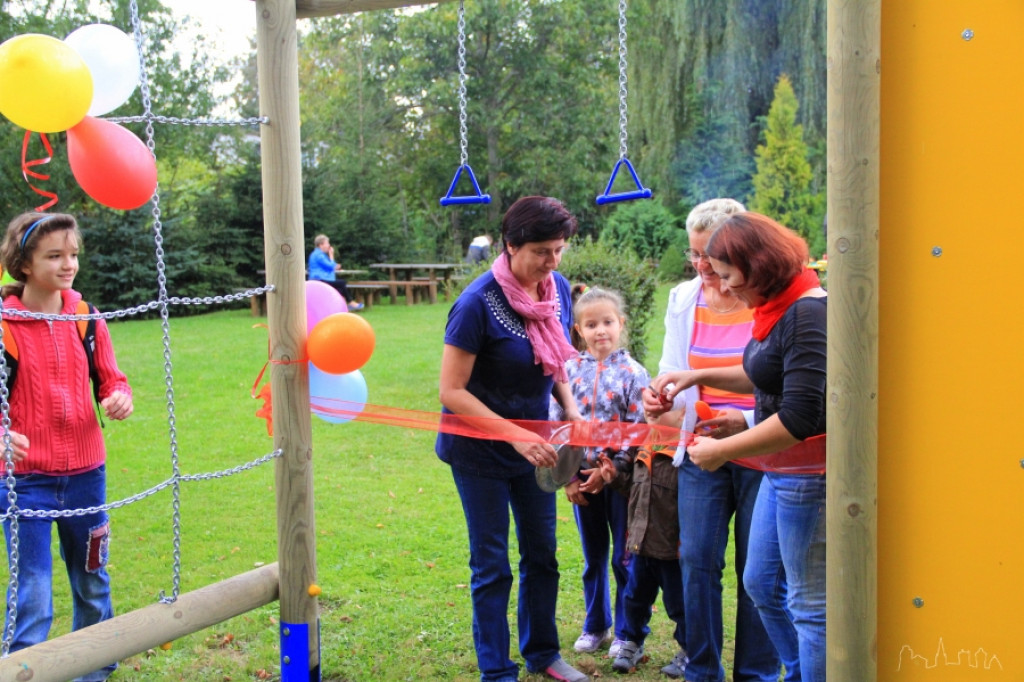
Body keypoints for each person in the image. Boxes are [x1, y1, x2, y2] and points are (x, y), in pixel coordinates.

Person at [648, 212, 827, 681]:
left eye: (728, 275)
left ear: (757, 265)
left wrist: (724, 450)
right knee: (761, 584)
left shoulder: (807, 312)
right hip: (781, 473)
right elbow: (763, 372)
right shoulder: (780, 308)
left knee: (807, 605)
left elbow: (800, 417)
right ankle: (796, 671)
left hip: (806, 476)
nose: (724, 285)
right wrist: (698, 375)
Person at [437, 196, 590, 682]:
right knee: (491, 564)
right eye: (542, 252)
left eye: (559, 250)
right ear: (510, 245)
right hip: (478, 450)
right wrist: (514, 436)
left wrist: (569, 406)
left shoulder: (556, 288)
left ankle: (543, 654)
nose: (553, 262)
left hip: (536, 447)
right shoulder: (475, 305)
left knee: (542, 554)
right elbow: (451, 391)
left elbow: (554, 359)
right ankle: (497, 671)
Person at [0, 212, 134, 682]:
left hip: (86, 477)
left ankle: (94, 669)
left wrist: (118, 396)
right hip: (23, 482)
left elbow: (112, 379)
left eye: (73, 254)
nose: (68, 264)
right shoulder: (4, 326)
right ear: (24, 263)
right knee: (33, 593)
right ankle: (21, 673)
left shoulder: (86, 318)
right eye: (54, 256)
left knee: (92, 579)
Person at [551, 287, 646, 659]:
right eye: (591, 325)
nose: (600, 330)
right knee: (593, 557)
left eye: (607, 322)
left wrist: (613, 471)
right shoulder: (569, 372)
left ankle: (626, 631)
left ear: (620, 324)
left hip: (619, 483)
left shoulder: (634, 374)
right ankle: (595, 625)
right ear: (579, 330)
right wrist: (569, 478)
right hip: (581, 480)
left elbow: (638, 430)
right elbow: (558, 428)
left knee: (623, 557)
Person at [603, 405, 688, 678]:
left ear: (683, 414)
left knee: (679, 604)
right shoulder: (644, 446)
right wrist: (615, 478)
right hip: (640, 545)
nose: (653, 411)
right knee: (634, 597)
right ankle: (633, 642)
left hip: (672, 549)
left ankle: (689, 650)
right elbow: (633, 489)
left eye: (664, 407)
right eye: (650, 406)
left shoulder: (686, 454)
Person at [307, 233, 363, 311]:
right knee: (342, 283)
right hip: (319, 280)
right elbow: (331, 266)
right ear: (321, 245)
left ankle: (343, 307)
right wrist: (331, 255)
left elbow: (331, 266)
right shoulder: (319, 255)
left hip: (320, 279)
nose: (329, 245)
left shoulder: (318, 254)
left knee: (340, 289)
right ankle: (350, 303)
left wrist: (334, 266)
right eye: (327, 243)